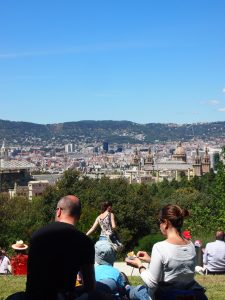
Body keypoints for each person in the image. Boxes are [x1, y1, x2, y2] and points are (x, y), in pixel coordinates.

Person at [24, 194, 108, 300]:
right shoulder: (84, 241)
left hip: (33, 297)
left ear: (58, 211)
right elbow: (89, 286)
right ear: (79, 216)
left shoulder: (37, 235)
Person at [125, 204, 207, 300]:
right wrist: (151, 260)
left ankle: (126, 287)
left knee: (134, 291)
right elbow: (176, 266)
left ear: (166, 222)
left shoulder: (160, 247)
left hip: (163, 296)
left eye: (159, 222)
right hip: (187, 294)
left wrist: (139, 265)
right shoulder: (191, 245)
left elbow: (151, 283)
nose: (159, 226)